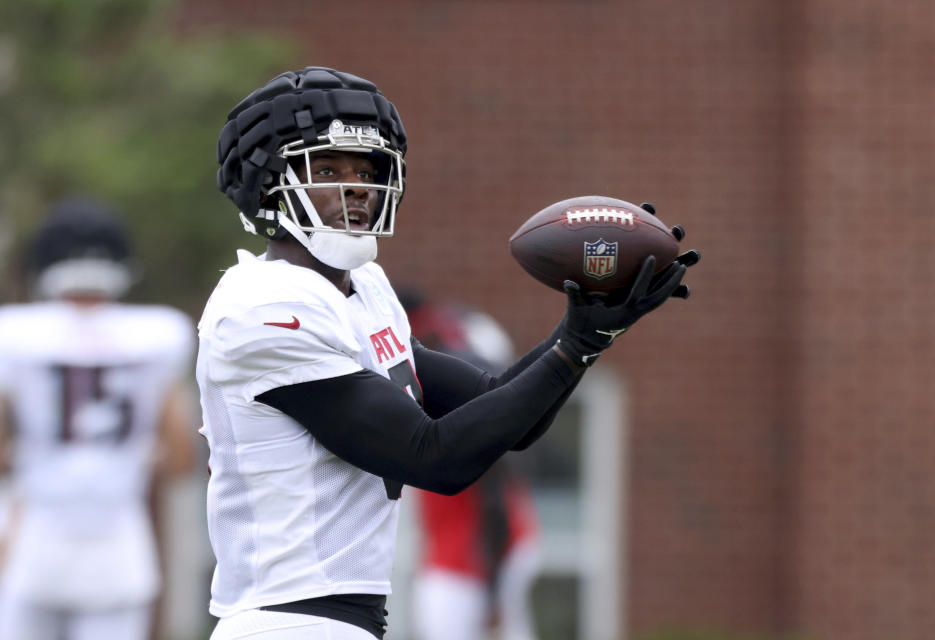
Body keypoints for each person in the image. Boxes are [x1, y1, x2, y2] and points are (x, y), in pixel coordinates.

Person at [199, 66, 700, 640]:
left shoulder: (364, 289)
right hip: (287, 622)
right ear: (266, 184)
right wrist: (574, 346)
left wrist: (589, 333)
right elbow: (435, 457)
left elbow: (504, 416)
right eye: (328, 168)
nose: (358, 185)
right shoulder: (261, 307)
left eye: (366, 169)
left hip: (339, 622)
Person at [0, 197, 197, 640]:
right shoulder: (159, 333)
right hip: (118, 537)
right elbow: (181, 457)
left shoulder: (14, 333)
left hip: (37, 531)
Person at [400, 292, 542, 640]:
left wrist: (491, 593)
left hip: (469, 560)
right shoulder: (453, 332)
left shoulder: (454, 399)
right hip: (473, 550)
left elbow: (493, 497)